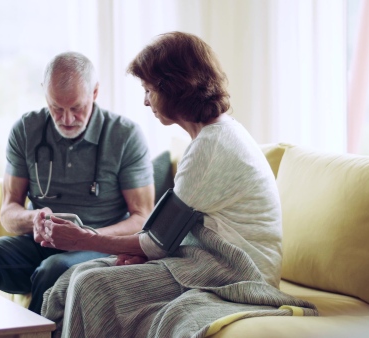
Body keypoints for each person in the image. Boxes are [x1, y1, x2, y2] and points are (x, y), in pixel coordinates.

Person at [39, 32, 317, 337]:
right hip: (206, 261)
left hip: (238, 273)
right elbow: (163, 237)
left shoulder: (211, 147)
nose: (145, 101)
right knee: (78, 273)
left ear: (174, 88)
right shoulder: (212, 138)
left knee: (92, 285)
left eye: (148, 90)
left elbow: (156, 241)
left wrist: (85, 239)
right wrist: (141, 250)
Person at [0, 51, 155, 315]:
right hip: (39, 244)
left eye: (76, 108)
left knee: (55, 270)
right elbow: (9, 210)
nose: (67, 119)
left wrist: (87, 237)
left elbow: (143, 217)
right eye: (56, 108)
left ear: (94, 93)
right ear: (44, 94)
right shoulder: (26, 129)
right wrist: (34, 217)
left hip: (97, 247)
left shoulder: (124, 135)